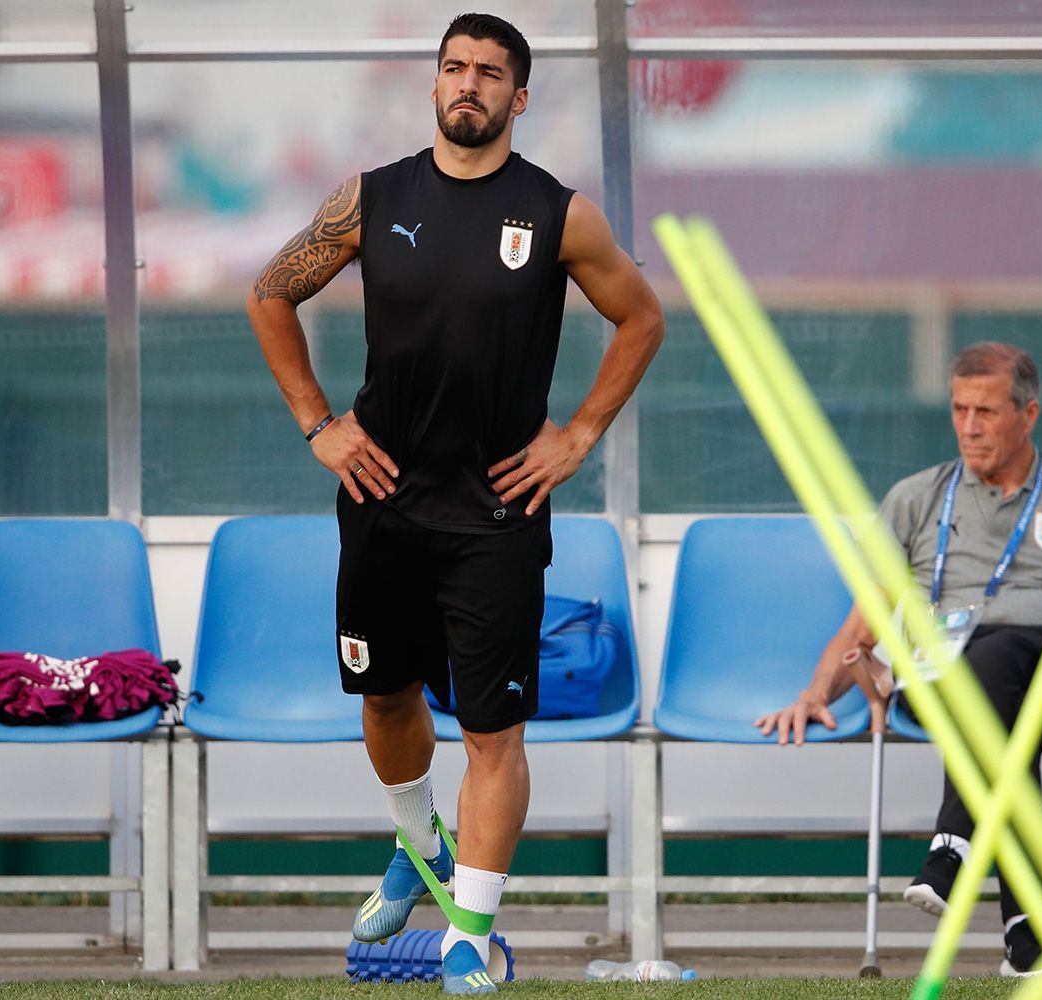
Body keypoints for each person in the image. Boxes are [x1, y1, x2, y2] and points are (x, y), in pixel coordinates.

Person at [244, 12, 664, 995]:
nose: (466, 84)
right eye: (453, 68)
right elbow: (270, 294)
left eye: (487, 73)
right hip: (382, 501)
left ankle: (468, 932)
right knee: (385, 698)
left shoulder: (561, 215)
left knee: (493, 732)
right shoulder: (370, 198)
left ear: (519, 97)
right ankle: (414, 836)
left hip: (496, 514)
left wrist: (578, 436)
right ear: (435, 85)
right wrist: (319, 424)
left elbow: (641, 318)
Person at [755, 341, 1042, 978]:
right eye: (959, 410)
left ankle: (951, 848)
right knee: (990, 699)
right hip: (939, 674)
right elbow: (860, 627)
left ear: (1029, 415)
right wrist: (816, 691)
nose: (969, 428)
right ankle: (1027, 933)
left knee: (1001, 656)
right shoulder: (916, 498)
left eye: (987, 412)